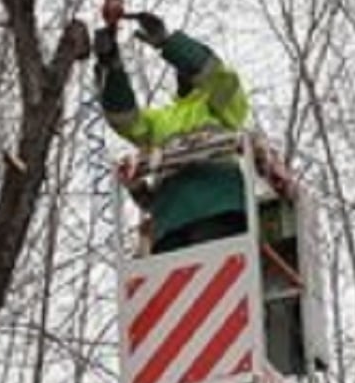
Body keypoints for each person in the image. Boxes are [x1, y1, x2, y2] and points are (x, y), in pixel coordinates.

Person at [96, 13, 253, 250]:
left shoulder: (220, 103)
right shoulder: (160, 120)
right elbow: (124, 118)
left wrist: (168, 42)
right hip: (169, 224)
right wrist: (111, 64)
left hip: (218, 211)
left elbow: (215, 75)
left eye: (186, 64)